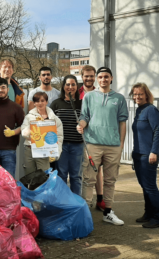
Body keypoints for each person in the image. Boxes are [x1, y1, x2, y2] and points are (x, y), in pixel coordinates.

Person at [77, 66, 128, 226]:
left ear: (111, 78)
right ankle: (85, 214)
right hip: (92, 144)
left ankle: (108, 212)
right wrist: (82, 125)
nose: (103, 80)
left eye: (106, 77)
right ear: (97, 79)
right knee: (88, 179)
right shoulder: (89, 97)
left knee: (110, 180)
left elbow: (122, 123)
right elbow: (84, 116)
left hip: (113, 146)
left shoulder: (119, 98)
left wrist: (121, 145)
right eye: (100, 77)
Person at [130, 83, 159, 228]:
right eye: (135, 94)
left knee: (150, 187)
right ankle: (148, 214)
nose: (137, 97)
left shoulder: (151, 110)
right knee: (144, 186)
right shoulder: (139, 111)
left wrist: (154, 151)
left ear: (146, 95)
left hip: (148, 155)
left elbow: (158, 131)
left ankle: (158, 218)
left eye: (140, 94)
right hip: (138, 154)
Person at [50, 75, 83, 195]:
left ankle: (76, 202)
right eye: (68, 84)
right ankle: (64, 202)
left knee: (76, 176)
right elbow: (49, 123)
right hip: (61, 145)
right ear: (63, 86)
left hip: (77, 145)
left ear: (77, 87)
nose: (70, 87)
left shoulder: (81, 104)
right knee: (62, 174)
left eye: (73, 84)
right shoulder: (56, 104)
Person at [0, 77, 25, 177]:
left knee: (9, 183)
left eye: (3, 87)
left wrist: (14, 132)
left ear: (8, 89)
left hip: (9, 151)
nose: (0, 90)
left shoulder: (16, 107)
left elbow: (24, 126)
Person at [79, 65, 105, 210]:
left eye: (91, 76)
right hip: (80, 136)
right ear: (82, 77)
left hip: (95, 137)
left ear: (94, 77)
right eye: (86, 76)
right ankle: (82, 200)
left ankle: (100, 199)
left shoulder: (100, 93)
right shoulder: (77, 93)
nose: (88, 78)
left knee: (96, 169)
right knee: (83, 170)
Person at [21, 92, 63, 174]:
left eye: (42, 100)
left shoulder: (54, 119)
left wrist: (55, 154)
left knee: (44, 177)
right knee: (30, 178)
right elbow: (24, 133)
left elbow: (59, 137)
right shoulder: (28, 117)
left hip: (45, 151)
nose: (40, 103)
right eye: (37, 101)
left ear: (46, 102)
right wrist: (33, 125)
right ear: (34, 103)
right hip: (30, 150)